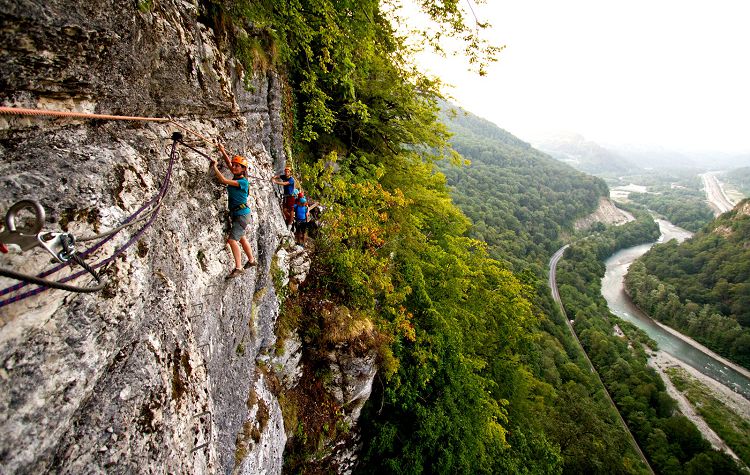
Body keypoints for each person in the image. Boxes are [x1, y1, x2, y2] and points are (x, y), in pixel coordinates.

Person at [212, 143, 257, 279]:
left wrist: (214, 166)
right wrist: (222, 151)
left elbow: (223, 179)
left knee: (232, 240)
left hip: (241, 215)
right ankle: (251, 260)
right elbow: (229, 164)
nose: (234, 167)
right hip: (240, 214)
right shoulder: (237, 176)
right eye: (235, 165)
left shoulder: (243, 182)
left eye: (238, 166)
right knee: (242, 237)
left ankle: (238, 267)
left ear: (243, 169)